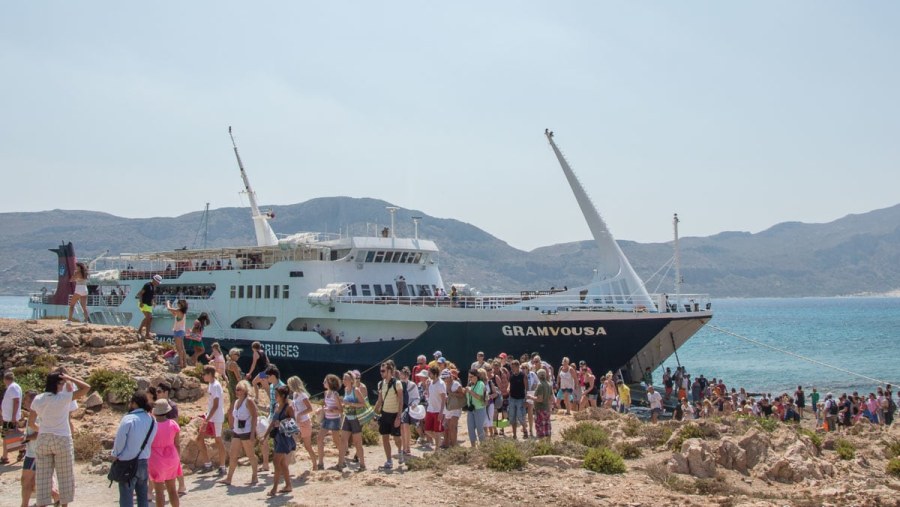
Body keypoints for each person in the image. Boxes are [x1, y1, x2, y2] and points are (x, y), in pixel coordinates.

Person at [27, 372, 89, 507]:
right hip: (62, 438)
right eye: (61, 383)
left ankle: (42, 503)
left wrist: (43, 429)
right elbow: (86, 388)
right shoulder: (63, 398)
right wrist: (70, 378)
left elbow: (31, 423)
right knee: (65, 476)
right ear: (57, 384)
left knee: (43, 477)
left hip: (44, 438)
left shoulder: (38, 399)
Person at [111, 391, 158, 507]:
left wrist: (115, 454)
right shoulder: (152, 420)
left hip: (127, 462)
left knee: (126, 497)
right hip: (143, 461)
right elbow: (150, 440)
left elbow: (120, 440)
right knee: (143, 496)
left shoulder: (128, 419)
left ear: (134, 403)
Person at [221, 380, 258, 486]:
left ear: (245, 390)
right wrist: (231, 426)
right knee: (233, 454)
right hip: (237, 431)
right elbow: (231, 414)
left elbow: (255, 416)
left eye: (239, 389)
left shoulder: (249, 401)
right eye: (236, 389)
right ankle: (229, 478)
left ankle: (254, 476)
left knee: (250, 454)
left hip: (246, 431)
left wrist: (252, 432)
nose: (237, 391)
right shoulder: (236, 402)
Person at [263, 386, 295, 496]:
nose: (275, 396)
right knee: (281, 463)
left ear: (283, 396)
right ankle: (288, 485)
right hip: (277, 436)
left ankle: (274, 488)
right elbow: (272, 422)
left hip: (284, 438)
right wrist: (265, 435)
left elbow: (293, 422)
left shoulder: (288, 407)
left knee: (276, 461)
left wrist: (281, 423)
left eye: (277, 394)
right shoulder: (277, 406)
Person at [148, 400, 180, 507]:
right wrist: (178, 459)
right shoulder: (173, 424)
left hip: (156, 459)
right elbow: (177, 444)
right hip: (172, 458)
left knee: (159, 492)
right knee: (172, 489)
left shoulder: (151, 426)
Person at [196, 365, 226, 475]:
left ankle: (222, 467)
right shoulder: (211, 384)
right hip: (210, 416)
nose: (203, 376)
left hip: (216, 417)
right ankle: (208, 464)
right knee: (199, 438)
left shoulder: (216, 386)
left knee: (218, 440)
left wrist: (206, 420)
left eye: (204, 374)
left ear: (209, 374)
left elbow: (216, 405)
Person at [374, 361, 403, 469]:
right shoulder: (381, 384)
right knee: (385, 438)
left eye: (383, 371)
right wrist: (373, 413)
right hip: (385, 414)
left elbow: (401, 401)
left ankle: (400, 451)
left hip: (394, 414)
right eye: (381, 371)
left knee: (396, 438)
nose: (381, 373)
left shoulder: (397, 383)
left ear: (390, 371)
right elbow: (379, 400)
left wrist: (399, 417)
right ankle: (389, 460)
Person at [336, 372, 367, 471]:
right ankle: (340, 463)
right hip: (347, 417)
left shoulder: (356, 390)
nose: (343, 380)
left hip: (356, 419)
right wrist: (344, 404)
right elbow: (347, 403)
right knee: (343, 439)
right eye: (343, 378)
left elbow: (363, 404)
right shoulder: (346, 390)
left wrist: (350, 403)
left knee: (357, 442)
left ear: (351, 380)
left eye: (345, 379)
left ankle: (362, 465)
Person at [287, 376, 316, 469]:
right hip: (297, 423)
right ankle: (286, 465)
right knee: (290, 443)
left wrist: (300, 414)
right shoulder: (295, 394)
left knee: (307, 446)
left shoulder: (302, 395)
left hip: (304, 422)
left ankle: (315, 464)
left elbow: (310, 408)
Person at [315, 374, 343, 470]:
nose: (323, 383)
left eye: (325, 381)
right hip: (327, 418)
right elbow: (326, 406)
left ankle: (342, 459)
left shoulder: (335, 394)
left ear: (330, 383)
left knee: (336, 440)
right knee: (319, 438)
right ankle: (321, 463)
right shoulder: (326, 393)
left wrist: (331, 410)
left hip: (334, 419)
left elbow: (340, 410)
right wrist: (320, 409)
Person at [2, 371, 23, 464]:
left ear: (5, 379)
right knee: (9, 435)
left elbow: (16, 401)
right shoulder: (13, 387)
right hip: (8, 417)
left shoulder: (13, 387)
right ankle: (5, 456)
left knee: (8, 436)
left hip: (10, 418)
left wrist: (13, 417)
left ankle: (5, 457)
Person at [463, 369, 487, 447]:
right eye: (469, 377)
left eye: (471, 377)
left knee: (480, 428)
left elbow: (479, 397)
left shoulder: (480, 384)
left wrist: (470, 391)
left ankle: (483, 446)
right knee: (470, 428)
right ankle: (473, 447)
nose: (470, 378)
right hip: (471, 409)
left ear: (476, 376)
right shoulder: (470, 385)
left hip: (479, 409)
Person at [424, 366, 446, 447]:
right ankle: (440, 440)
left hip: (438, 411)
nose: (428, 375)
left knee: (437, 432)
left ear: (435, 374)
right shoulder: (430, 382)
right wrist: (427, 387)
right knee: (427, 430)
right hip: (430, 409)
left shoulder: (441, 384)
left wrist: (441, 412)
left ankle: (437, 450)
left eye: (430, 373)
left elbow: (444, 399)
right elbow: (428, 395)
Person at [441, 370, 463, 448]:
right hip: (447, 408)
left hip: (456, 408)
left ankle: (454, 446)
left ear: (450, 376)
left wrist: (452, 393)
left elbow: (462, 395)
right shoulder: (443, 384)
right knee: (446, 427)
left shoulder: (456, 384)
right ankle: (447, 444)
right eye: (443, 378)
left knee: (452, 427)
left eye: (445, 377)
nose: (444, 379)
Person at [529, 369, 554, 438]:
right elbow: (551, 398)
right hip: (547, 409)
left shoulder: (540, 385)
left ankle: (541, 444)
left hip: (540, 409)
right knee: (547, 426)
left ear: (538, 376)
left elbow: (540, 399)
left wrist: (530, 397)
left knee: (540, 426)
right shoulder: (549, 384)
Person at [165, 299, 189, 369]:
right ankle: (184, 363)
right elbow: (174, 313)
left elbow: (169, 309)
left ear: (180, 305)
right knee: (182, 348)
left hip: (178, 331)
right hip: (181, 331)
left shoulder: (179, 310)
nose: (177, 305)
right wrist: (170, 307)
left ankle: (181, 364)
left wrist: (168, 303)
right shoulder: (182, 312)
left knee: (179, 349)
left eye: (178, 304)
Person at [136, 274, 162, 340]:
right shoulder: (147, 285)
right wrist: (141, 302)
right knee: (149, 318)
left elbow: (151, 296)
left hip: (149, 305)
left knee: (149, 318)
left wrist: (153, 302)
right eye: (157, 282)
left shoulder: (153, 286)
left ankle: (140, 331)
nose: (158, 283)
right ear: (154, 280)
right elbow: (140, 294)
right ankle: (146, 334)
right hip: (143, 304)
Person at [224, 348, 243, 414]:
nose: (238, 356)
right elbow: (238, 377)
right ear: (232, 355)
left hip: (231, 384)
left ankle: (230, 417)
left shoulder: (227, 362)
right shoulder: (233, 364)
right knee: (237, 401)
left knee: (232, 401)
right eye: (237, 354)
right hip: (236, 384)